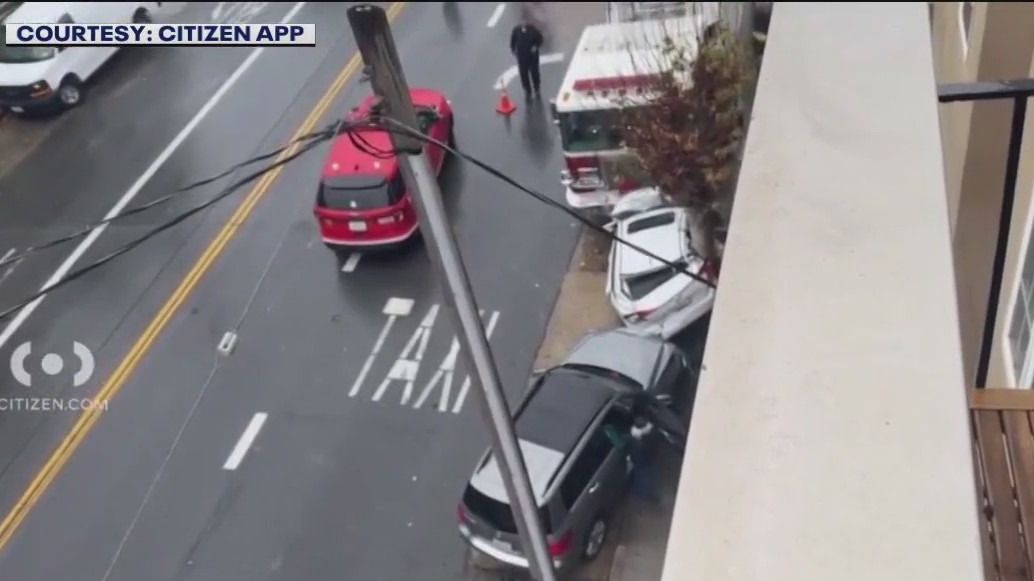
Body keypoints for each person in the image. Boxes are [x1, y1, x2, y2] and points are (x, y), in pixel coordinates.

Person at [604, 417, 660, 503]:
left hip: (633, 451)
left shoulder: (610, 428)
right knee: (643, 471)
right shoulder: (610, 429)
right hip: (635, 452)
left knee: (641, 471)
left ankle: (643, 491)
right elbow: (621, 443)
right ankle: (645, 493)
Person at [510, 11, 545, 99]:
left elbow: (540, 39)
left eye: (525, 21)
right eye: (522, 21)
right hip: (522, 56)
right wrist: (514, 50)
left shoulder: (533, 30)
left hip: (532, 56)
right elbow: (512, 42)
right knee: (523, 73)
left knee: (534, 72)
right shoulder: (516, 30)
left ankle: (536, 88)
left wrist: (535, 47)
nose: (524, 23)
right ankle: (527, 89)